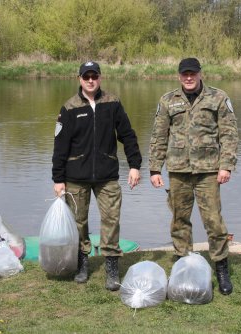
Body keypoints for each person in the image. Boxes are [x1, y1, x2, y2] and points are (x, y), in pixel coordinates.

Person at [148, 58, 238, 295]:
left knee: (214, 222)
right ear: (179, 76)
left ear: (200, 74)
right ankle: (182, 265)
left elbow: (229, 134)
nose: (189, 78)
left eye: (193, 73)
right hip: (178, 170)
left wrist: (226, 166)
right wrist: (155, 169)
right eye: (184, 74)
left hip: (209, 170)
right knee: (179, 220)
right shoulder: (167, 100)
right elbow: (159, 136)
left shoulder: (218, 97)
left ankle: (221, 268)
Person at [52, 61, 142, 291]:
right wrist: (58, 179)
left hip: (107, 175)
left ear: (100, 78)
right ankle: (82, 263)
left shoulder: (112, 103)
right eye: (86, 76)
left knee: (111, 219)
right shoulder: (69, 107)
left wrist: (134, 165)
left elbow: (128, 135)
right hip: (75, 177)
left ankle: (111, 266)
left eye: (94, 76)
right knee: (78, 222)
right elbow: (60, 146)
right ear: (79, 79)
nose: (90, 80)